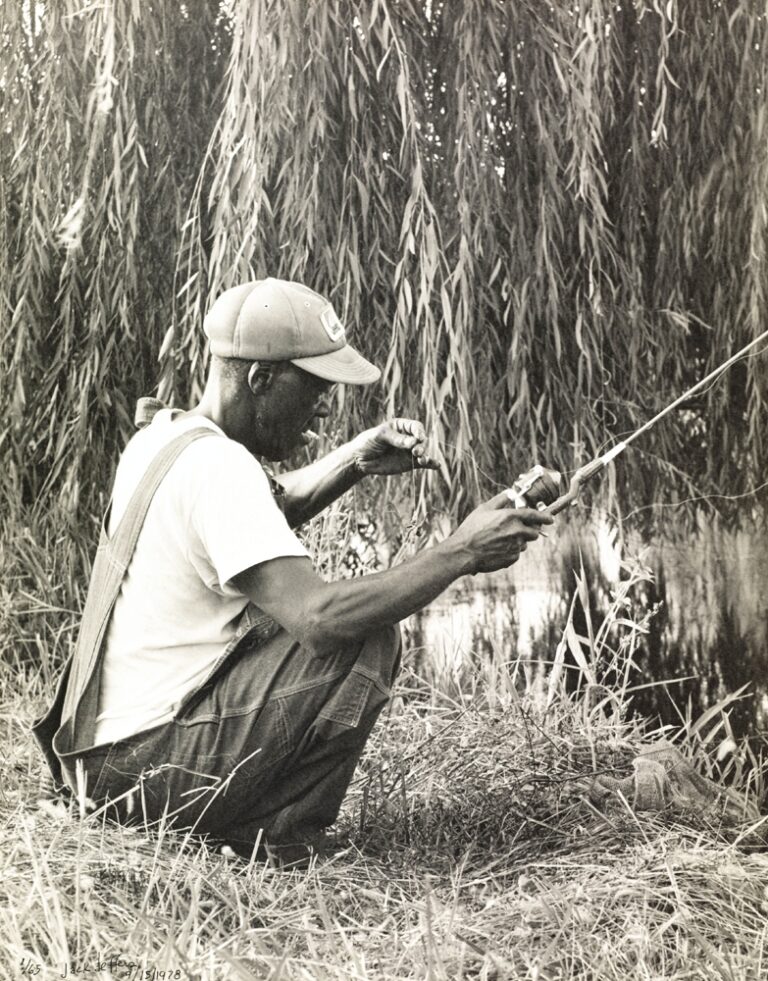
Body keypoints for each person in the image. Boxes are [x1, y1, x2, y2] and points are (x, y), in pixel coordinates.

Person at [33, 277, 552, 863]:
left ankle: (249, 821)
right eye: (314, 387)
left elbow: (265, 508)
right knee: (360, 635)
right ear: (260, 379)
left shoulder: (166, 439)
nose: (324, 401)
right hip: (139, 779)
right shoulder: (219, 469)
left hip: (96, 765)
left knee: (345, 622)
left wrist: (356, 459)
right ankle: (278, 839)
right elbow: (318, 620)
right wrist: (460, 552)